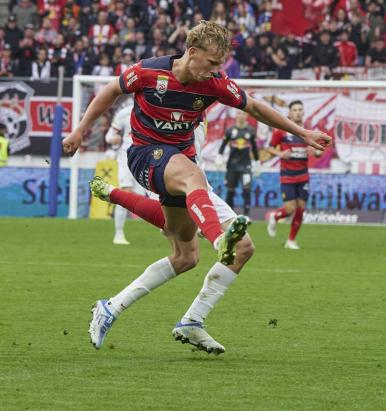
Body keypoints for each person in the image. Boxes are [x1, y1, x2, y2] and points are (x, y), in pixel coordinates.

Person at [62, 21, 331, 353]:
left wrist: (303, 133)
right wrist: (78, 131)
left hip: (183, 168)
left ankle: (158, 315)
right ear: (192, 53)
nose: (217, 71)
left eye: (221, 65)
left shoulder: (214, 84)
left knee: (196, 254)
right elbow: (110, 91)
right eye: (213, 63)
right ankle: (220, 238)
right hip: (146, 156)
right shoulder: (148, 72)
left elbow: (255, 107)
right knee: (195, 181)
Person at [266, 100, 321, 250]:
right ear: (289, 113)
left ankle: (291, 240)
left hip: (303, 175)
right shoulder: (281, 131)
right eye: (294, 110)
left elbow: (318, 151)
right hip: (287, 175)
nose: (297, 112)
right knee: (290, 209)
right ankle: (275, 216)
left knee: (301, 208)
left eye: (300, 109)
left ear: (303, 112)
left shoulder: (308, 132)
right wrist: (280, 153)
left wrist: (316, 152)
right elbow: (270, 148)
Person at [104, 99, 150, 245]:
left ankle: (169, 229)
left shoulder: (154, 111)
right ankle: (118, 233)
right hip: (126, 157)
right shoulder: (124, 113)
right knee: (126, 193)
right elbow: (108, 136)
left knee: (145, 195)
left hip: (145, 157)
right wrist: (113, 139)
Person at [215, 110, 259, 216]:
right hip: (232, 166)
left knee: (246, 190)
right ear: (236, 115)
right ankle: (230, 216)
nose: (241, 116)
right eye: (239, 113)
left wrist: (257, 162)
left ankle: (246, 216)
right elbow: (223, 144)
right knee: (230, 191)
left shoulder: (251, 131)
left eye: (243, 114)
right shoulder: (230, 130)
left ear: (247, 115)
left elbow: (254, 148)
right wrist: (219, 156)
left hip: (246, 166)